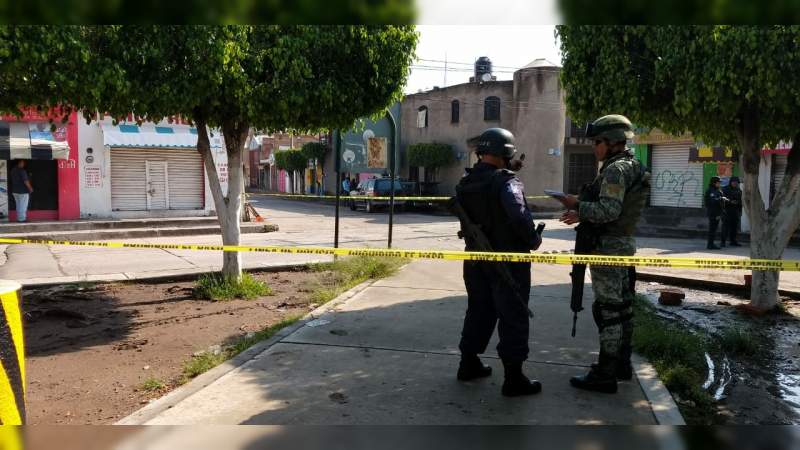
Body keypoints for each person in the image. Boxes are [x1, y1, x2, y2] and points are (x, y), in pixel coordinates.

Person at [556, 115, 650, 394]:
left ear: (612, 142)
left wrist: (577, 207)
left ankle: (606, 374)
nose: (594, 147)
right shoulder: (632, 166)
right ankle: (621, 365)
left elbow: (609, 211)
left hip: (607, 247)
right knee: (623, 309)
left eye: (597, 142)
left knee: (608, 311)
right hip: (622, 246)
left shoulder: (615, 170)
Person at [454, 127, 543, 397]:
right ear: (506, 153)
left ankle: (468, 363)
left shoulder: (466, 183)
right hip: (508, 261)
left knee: (479, 310)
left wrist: (509, 169)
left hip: (476, 259)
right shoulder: (507, 182)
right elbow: (518, 216)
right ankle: (514, 378)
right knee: (513, 314)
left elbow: (488, 189)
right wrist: (533, 240)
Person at [705, 176, 727, 250]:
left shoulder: (718, 190)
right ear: (714, 183)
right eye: (718, 182)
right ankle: (710, 244)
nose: (719, 184)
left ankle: (711, 243)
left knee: (714, 229)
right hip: (713, 212)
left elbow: (719, 199)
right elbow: (712, 201)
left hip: (718, 212)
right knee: (712, 229)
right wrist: (721, 198)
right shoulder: (710, 191)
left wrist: (723, 199)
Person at [721, 176, 742, 247]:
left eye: (737, 183)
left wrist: (739, 210)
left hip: (735, 211)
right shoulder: (725, 189)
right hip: (727, 211)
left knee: (734, 228)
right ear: (731, 182)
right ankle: (723, 242)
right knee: (725, 228)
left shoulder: (738, 190)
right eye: (734, 182)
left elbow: (741, 200)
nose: (735, 184)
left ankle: (733, 241)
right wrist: (730, 202)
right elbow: (722, 199)